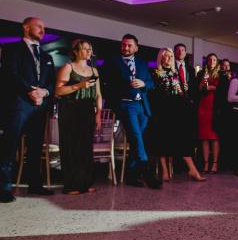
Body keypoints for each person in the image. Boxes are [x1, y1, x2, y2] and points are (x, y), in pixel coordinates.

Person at [0, 17, 56, 202]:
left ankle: (35, 184)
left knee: (35, 146)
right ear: (25, 27)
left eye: (44, 27)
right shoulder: (12, 49)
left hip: (40, 107)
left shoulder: (47, 57)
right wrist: (30, 92)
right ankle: (3, 188)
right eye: (39, 26)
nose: (42, 30)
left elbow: (52, 83)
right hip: (19, 104)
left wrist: (44, 92)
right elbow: (10, 74)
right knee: (9, 145)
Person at [102, 34, 160, 189]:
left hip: (142, 106)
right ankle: (147, 171)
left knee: (137, 140)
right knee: (135, 136)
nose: (125, 48)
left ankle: (132, 176)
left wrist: (143, 83)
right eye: (123, 45)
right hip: (125, 105)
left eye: (129, 45)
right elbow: (106, 85)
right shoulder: (112, 62)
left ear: (136, 48)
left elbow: (151, 83)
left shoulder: (142, 64)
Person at [145, 48, 205, 182]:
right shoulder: (154, 73)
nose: (169, 58)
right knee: (162, 140)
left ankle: (192, 169)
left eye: (171, 56)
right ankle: (165, 172)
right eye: (166, 56)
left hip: (176, 110)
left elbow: (180, 93)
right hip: (161, 111)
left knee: (183, 139)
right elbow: (153, 93)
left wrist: (181, 92)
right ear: (161, 58)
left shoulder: (175, 73)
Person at [55, 40, 102, 195]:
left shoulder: (94, 71)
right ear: (75, 51)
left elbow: (98, 95)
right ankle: (71, 186)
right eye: (85, 49)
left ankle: (85, 183)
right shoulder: (68, 67)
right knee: (70, 147)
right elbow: (58, 91)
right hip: (70, 108)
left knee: (86, 147)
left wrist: (98, 113)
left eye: (90, 49)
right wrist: (78, 86)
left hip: (87, 108)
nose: (89, 51)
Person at [172, 43, 205, 180]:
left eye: (183, 50)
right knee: (176, 135)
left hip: (188, 107)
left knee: (188, 135)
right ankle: (176, 166)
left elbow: (195, 89)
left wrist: (193, 100)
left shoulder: (191, 69)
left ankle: (188, 166)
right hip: (174, 106)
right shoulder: (171, 67)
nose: (180, 52)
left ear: (186, 53)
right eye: (178, 50)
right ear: (174, 52)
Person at [197, 53, 221, 174]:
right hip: (203, 107)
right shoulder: (201, 73)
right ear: (207, 61)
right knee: (204, 137)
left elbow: (223, 90)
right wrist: (202, 85)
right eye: (210, 59)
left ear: (217, 62)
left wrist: (212, 88)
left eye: (214, 59)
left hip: (214, 108)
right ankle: (206, 164)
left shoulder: (221, 74)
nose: (212, 61)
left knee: (214, 137)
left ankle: (215, 164)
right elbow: (198, 90)